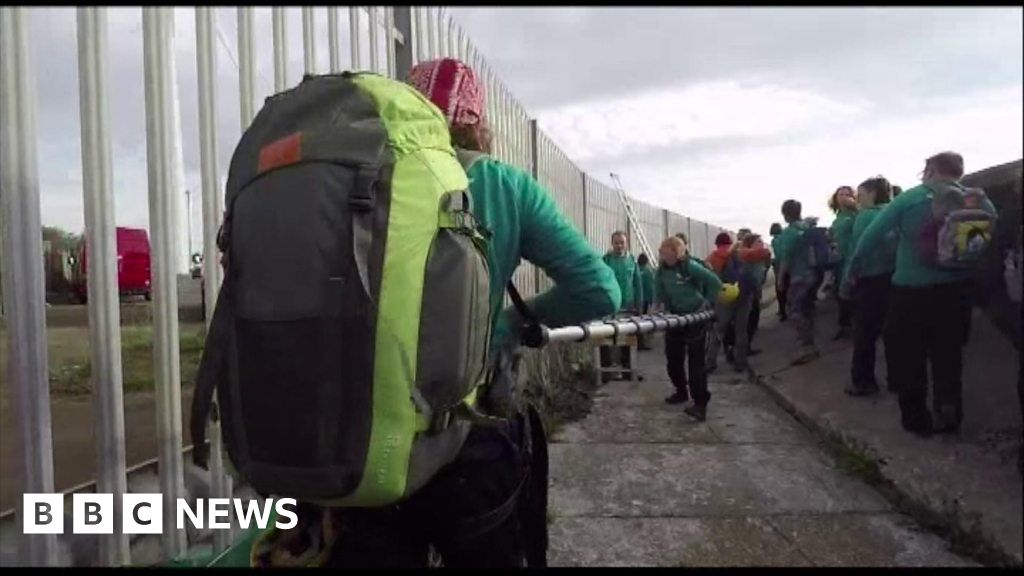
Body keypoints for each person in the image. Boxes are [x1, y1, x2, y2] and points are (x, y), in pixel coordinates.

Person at [307, 57, 622, 568]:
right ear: (477, 122)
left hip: (359, 436)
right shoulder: (501, 184)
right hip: (467, 435)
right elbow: (598, 290)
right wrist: (504, 327)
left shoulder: (349, 180)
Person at [845, 151, 997, 437]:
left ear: (929, 170)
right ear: (959, 172)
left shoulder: (911, 198)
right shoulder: (977, 198)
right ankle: (949, 411)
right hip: (956, 291)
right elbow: (991, 232)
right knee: (948, 354)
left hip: (911, 291)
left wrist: (851, 274)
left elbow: (870, 237)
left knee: (907, 355)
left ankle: (916, 419)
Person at [653, 235, 722, 422]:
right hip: (676, 318)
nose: (664, 257)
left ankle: (700, 404)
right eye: (662, 254)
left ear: (677, 253)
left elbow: (714, 281)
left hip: (695, 318)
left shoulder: (689, 266)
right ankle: (681, 391)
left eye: (667, 254)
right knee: (673, 360)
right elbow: (658, 293)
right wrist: (657, 309)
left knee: (696, 364)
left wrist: (708, 303)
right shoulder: (661, 271)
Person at [840, 176, 897, 396]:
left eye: (861, 195)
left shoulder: (866, 217)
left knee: (865, 334)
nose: (859, 200)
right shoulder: (894, 212)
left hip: (870, 280)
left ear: (872, 194)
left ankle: (863, 381)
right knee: (893, 332)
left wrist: (847, 283)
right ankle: (897, 379)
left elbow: (858, 251)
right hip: (894, 278)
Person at [705, 232, 771, 372]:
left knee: (718, 330)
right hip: (744, 296)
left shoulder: (714, 257)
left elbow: (709, 276)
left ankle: (710, 362)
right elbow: (765, 254)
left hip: (724, 296)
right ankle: (740, 362)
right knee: (741, 331)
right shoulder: (746, 255)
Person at [775, 199, 821, 365]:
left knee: (796, 311)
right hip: (814, 274)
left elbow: (785, 259)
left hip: (799, 276)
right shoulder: (808, 227)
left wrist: (780, 278)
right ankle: (811, 343)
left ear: (785, 215)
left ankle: (806, 347)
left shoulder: (789, 233)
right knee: (807, 309)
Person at [601, 231, 644, 379]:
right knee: (606, 340)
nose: (619, 245)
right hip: (609, 307)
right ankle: (606, 372)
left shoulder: (632, 261)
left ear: (626, 244)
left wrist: (639, 306)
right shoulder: (605, 261)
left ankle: (629, 371)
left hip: (628, 307)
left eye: (622, 242)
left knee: (629, 341)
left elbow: (638, 284)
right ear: (612, 243)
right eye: (616, 242)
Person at [829, 186, 858, 340]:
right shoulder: (837, 218)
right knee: (840, 295)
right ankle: (845, 326)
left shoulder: (856, 214)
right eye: (841, 194)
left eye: (848, 194)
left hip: (852, 259)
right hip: (839, 262)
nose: (845, 197)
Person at [637, 253, 656, 350]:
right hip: (645, 300)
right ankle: (641, 344)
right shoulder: (648, 271)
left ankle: (637, 343)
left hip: (636, 300)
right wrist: (652, 301)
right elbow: (650, 287)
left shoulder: (636, 269)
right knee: (642, 322)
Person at [769, 222, 788, 321]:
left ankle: (782, 311)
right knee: (787, 287)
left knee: (780, 289)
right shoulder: (784, 238)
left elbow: (778, 254)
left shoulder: (774, 240)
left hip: (778, 266)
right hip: (788, 266)